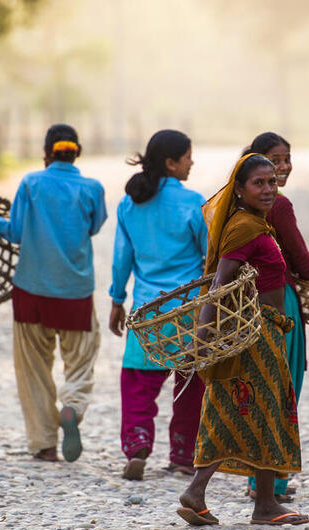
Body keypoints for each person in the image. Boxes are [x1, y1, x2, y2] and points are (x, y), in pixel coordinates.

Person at [176, 153, 309, 527]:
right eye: (259, 183)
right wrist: (202, 339)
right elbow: (219, 286)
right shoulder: (245, 228)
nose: (269, 189)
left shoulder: (256, 223)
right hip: (254, 337)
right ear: (239, 189)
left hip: (264, 330)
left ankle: (199, 492)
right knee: (264, 411)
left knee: (234, 410)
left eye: (272, 182)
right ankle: (263, 505)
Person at [0, 124, 106, 463]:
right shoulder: (92, 188)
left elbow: (17, 232)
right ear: (77, 152)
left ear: (45, 155)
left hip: (32, 291)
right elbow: (94, 227)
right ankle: (72, 407)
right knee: (81, 361)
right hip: (75, 291)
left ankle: (44, 443)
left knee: (34, 368)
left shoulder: (31, 184)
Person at [108, 129, 208, 481]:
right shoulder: (194, 203)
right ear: (171, 162)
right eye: (187, 156)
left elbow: (122, 258)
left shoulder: (129, 203)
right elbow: (210, 257)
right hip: (190, 311)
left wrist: (117, 300)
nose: (191, 162)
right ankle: (183, 454)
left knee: (137, 381)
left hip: (147, 310)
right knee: (190, 383)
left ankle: (137, 445)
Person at [242, 132, 309, 501]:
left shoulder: (237, 202)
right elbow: (302, 264)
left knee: (257, 389)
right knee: (283, 388)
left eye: (287, 158)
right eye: (276, 159)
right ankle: (272, 484)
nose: (284, 167)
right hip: (279, 303)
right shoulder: (280, 205)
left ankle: (256, 478)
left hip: (244, 305)